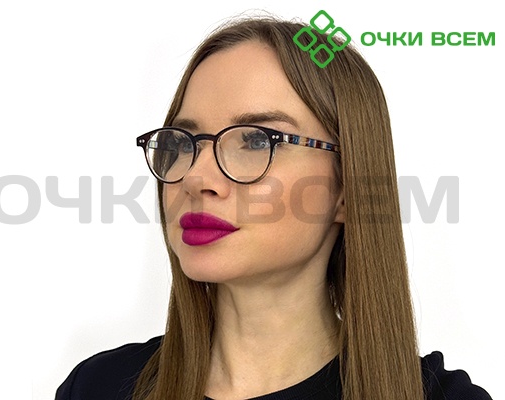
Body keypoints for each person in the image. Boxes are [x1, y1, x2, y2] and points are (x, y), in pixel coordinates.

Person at [55, 15, 492, 400]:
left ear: (346, 188)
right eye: (184, 142)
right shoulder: (97, 388)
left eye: (255, 140)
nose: (196, 178)